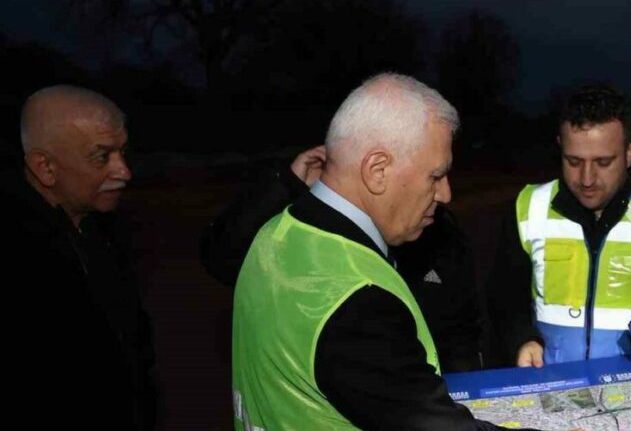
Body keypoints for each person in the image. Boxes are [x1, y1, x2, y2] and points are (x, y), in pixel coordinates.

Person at [231, 73, 608, 431]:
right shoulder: (352, 294)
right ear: (377, 169)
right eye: (436, 175)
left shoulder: (277, 235)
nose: (447, 193)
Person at [1, 85, 158, 431]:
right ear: (44, 168)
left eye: (123, 152)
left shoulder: (98, 228)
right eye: (101, 157)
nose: (124, 171)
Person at [202, 145, 483, 373]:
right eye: (434, 178)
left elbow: (461, 332)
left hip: (415, 399)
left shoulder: (440, 232)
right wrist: (287, 185)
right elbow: (224, 260)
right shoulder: (313, 227)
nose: (445, 194)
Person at [488, 84, 631, 368]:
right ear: (560, 146)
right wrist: (522, 339)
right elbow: (504, 294)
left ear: (630, 152)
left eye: (603, 162)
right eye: (574, 161)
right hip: (553, 384)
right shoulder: (529, 207)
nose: (587, 179)